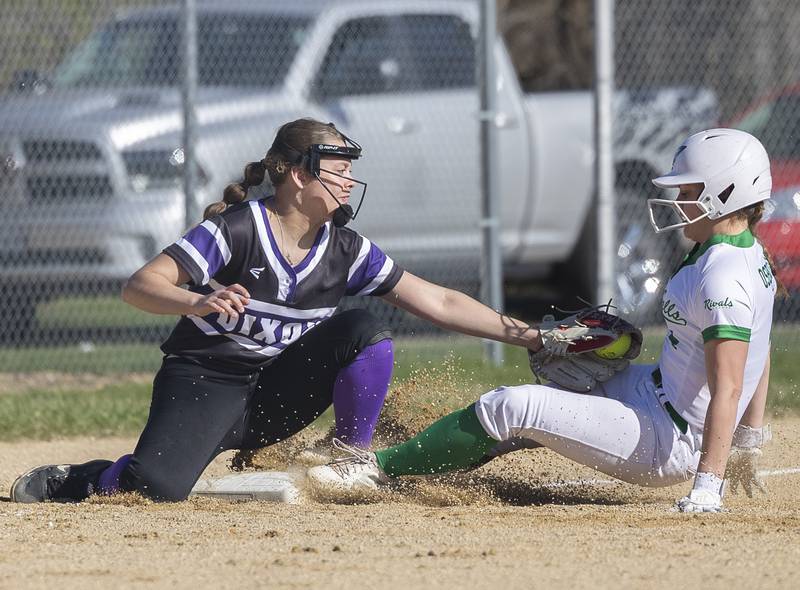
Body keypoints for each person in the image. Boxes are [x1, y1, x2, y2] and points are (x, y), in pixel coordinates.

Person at [11, 118, 552, 503]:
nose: (347, 180)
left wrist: (533, 337)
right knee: (157, 490)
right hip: (204, 381)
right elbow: (140, 285)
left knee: (365, 330)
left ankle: (349, 461)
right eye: (337, 169)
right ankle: (87, 479)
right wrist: (197, 298)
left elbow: (438, 301)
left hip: (276, 393)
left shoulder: (345, 248)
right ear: (296, 174)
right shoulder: (237, 229)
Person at [307, 128, 777, 513]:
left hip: (669, 439)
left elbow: (730, 385)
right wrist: (749, 438)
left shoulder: (723, 279)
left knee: (514, 407)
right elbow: (762, 346)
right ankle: (423, 460)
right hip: (655, 393)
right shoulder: (739, 254)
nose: (677, 199)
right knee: (533, 409)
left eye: (689, 190)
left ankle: (372, 469)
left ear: (725, 193)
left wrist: (707, 486)